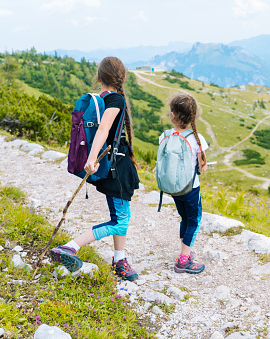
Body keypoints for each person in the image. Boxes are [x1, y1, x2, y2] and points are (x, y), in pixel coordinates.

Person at [50, 56, 140, 281]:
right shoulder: (116, 99)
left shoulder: (98, 99)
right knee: (120, 220)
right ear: (123, 77)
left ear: (99, 77)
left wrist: (92, 160)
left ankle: (119, 259)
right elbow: (103, 130)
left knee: (119, 215)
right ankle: (71, 246)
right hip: (115, 168)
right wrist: (91, 159)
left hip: (107, 166)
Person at [160, 94, 209, 274]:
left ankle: (184, 250)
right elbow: (202, 167)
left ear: (172, 115)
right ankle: (183, 260)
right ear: (192, 116)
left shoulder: (164, 136)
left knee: (184, 218)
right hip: (190, 189)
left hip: (173, 188)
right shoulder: (197, 139)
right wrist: (203, 165)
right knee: (194, 221)